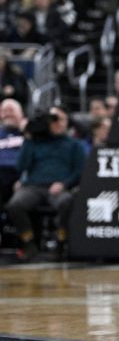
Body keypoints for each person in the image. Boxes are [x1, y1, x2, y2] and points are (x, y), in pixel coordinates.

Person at [6, 107, 85, 261]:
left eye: (60, 119)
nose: (57, 123)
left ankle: (61, 242)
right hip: (34, 186)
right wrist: (28, 138)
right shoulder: (35, 142)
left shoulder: (75, 145)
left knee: (66, 201)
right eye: (53, 120)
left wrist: (64, 184)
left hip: (59, 187)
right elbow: (21, 166)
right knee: (15, 204)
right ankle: (29, 242)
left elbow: (79, 172)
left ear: (67, 122)